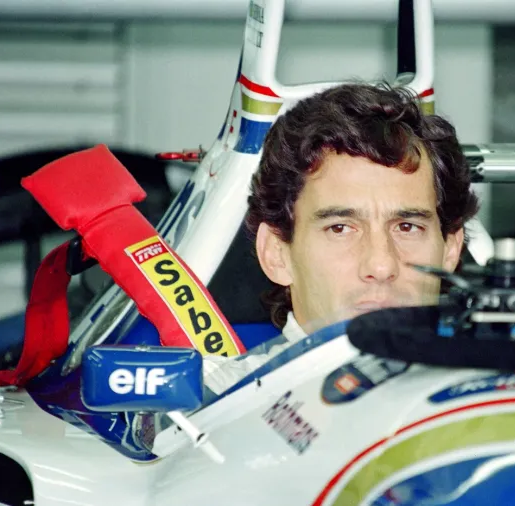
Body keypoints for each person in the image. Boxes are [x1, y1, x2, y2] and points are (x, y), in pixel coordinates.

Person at [204, 82, 480, 392]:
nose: (381, 265)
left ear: (450, 249)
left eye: (407, 227)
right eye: (340, 229)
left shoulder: (500, 395)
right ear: (277, 254)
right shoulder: (209, 404)